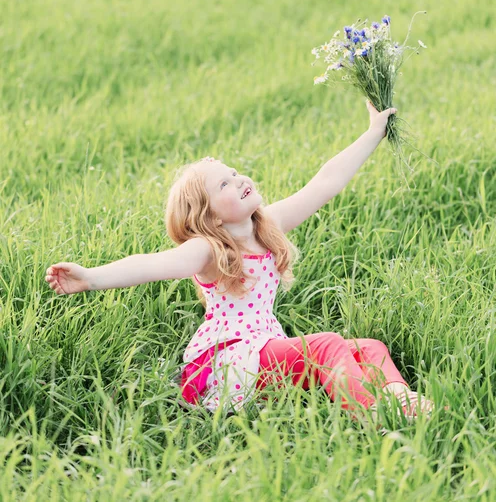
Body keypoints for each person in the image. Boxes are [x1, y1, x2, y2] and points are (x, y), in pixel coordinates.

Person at [45, 100, 444, 428]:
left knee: (370, 347)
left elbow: (325, 183)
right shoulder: (208, 249)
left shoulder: (266, 226)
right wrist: (91, 277)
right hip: (231, 363)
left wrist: (373, 132)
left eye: (234, 174)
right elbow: (152, 264)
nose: (238, 180)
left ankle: (402, 401)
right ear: (211, 217)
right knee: (326, 345)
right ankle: (372, 415)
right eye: (224, 185)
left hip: (267, 352)